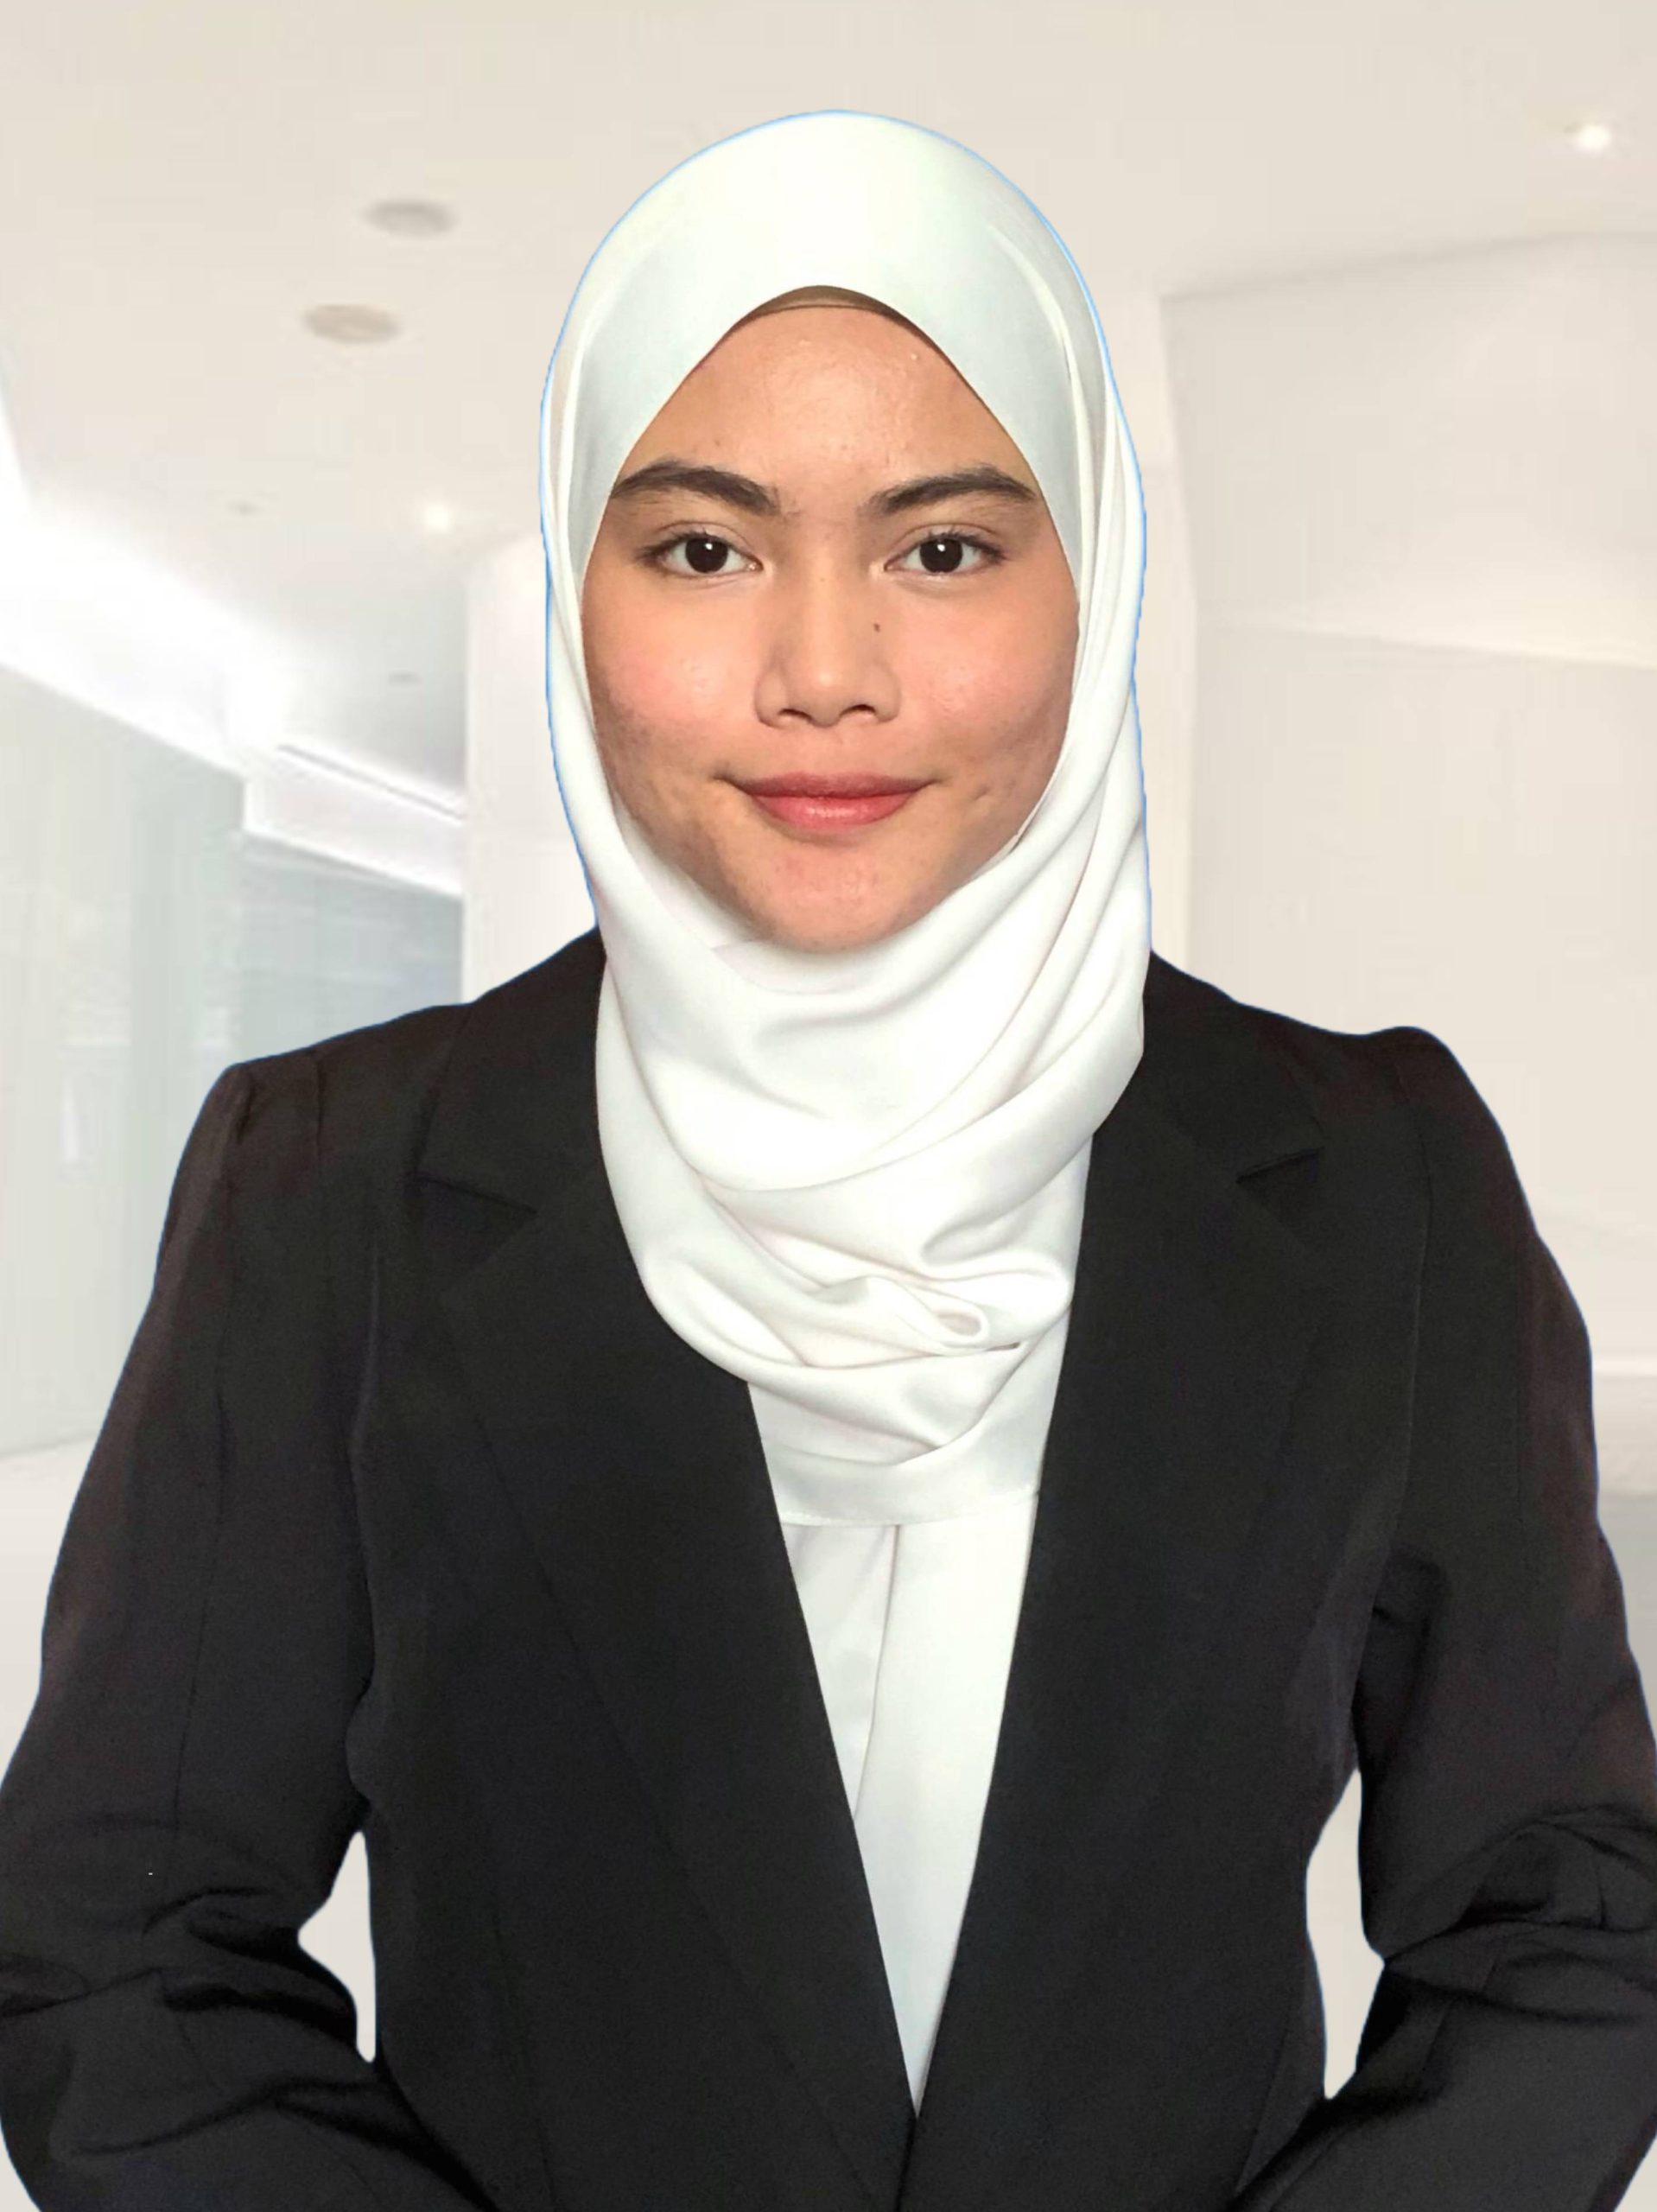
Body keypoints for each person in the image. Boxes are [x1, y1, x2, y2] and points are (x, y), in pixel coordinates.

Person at [1, 106, 1654, 2212]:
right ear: (577, 583)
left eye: (940, 548)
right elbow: (120, 1952)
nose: (821, 676)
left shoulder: (1376, 1176)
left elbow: (1564, 1916)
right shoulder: (331, 1181)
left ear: (1092, 580)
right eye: (703, 548)